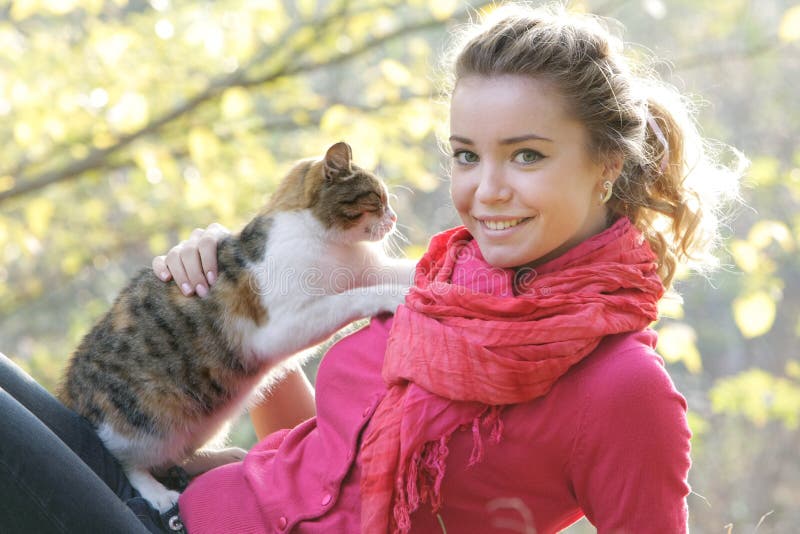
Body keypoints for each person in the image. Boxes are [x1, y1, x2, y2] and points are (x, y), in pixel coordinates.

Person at [0, 3, 743, 533]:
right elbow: (325, 463)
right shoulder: (433, 287)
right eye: (465, 155)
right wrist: (231, 298)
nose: (485, 191)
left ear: (605, 167)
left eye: (527, 155)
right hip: (181, 501)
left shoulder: (622, 390)